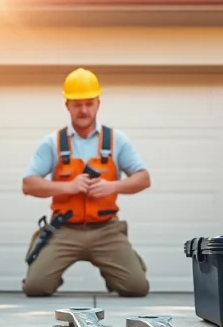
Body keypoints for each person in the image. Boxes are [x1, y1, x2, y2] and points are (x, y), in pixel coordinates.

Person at [20, 67, 151, 297]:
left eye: (89, 103)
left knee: (137, 288)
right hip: (65, 229)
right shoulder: (52, 142)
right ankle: (47, 267)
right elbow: (28, 184)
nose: (83, 110)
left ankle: (118, 269)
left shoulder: (116, 140)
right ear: (67, 105)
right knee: (35, 287)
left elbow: (143, 178)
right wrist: (68, 187)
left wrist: (112, 186)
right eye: (77, 104)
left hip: (106, 229)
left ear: (98, 104)